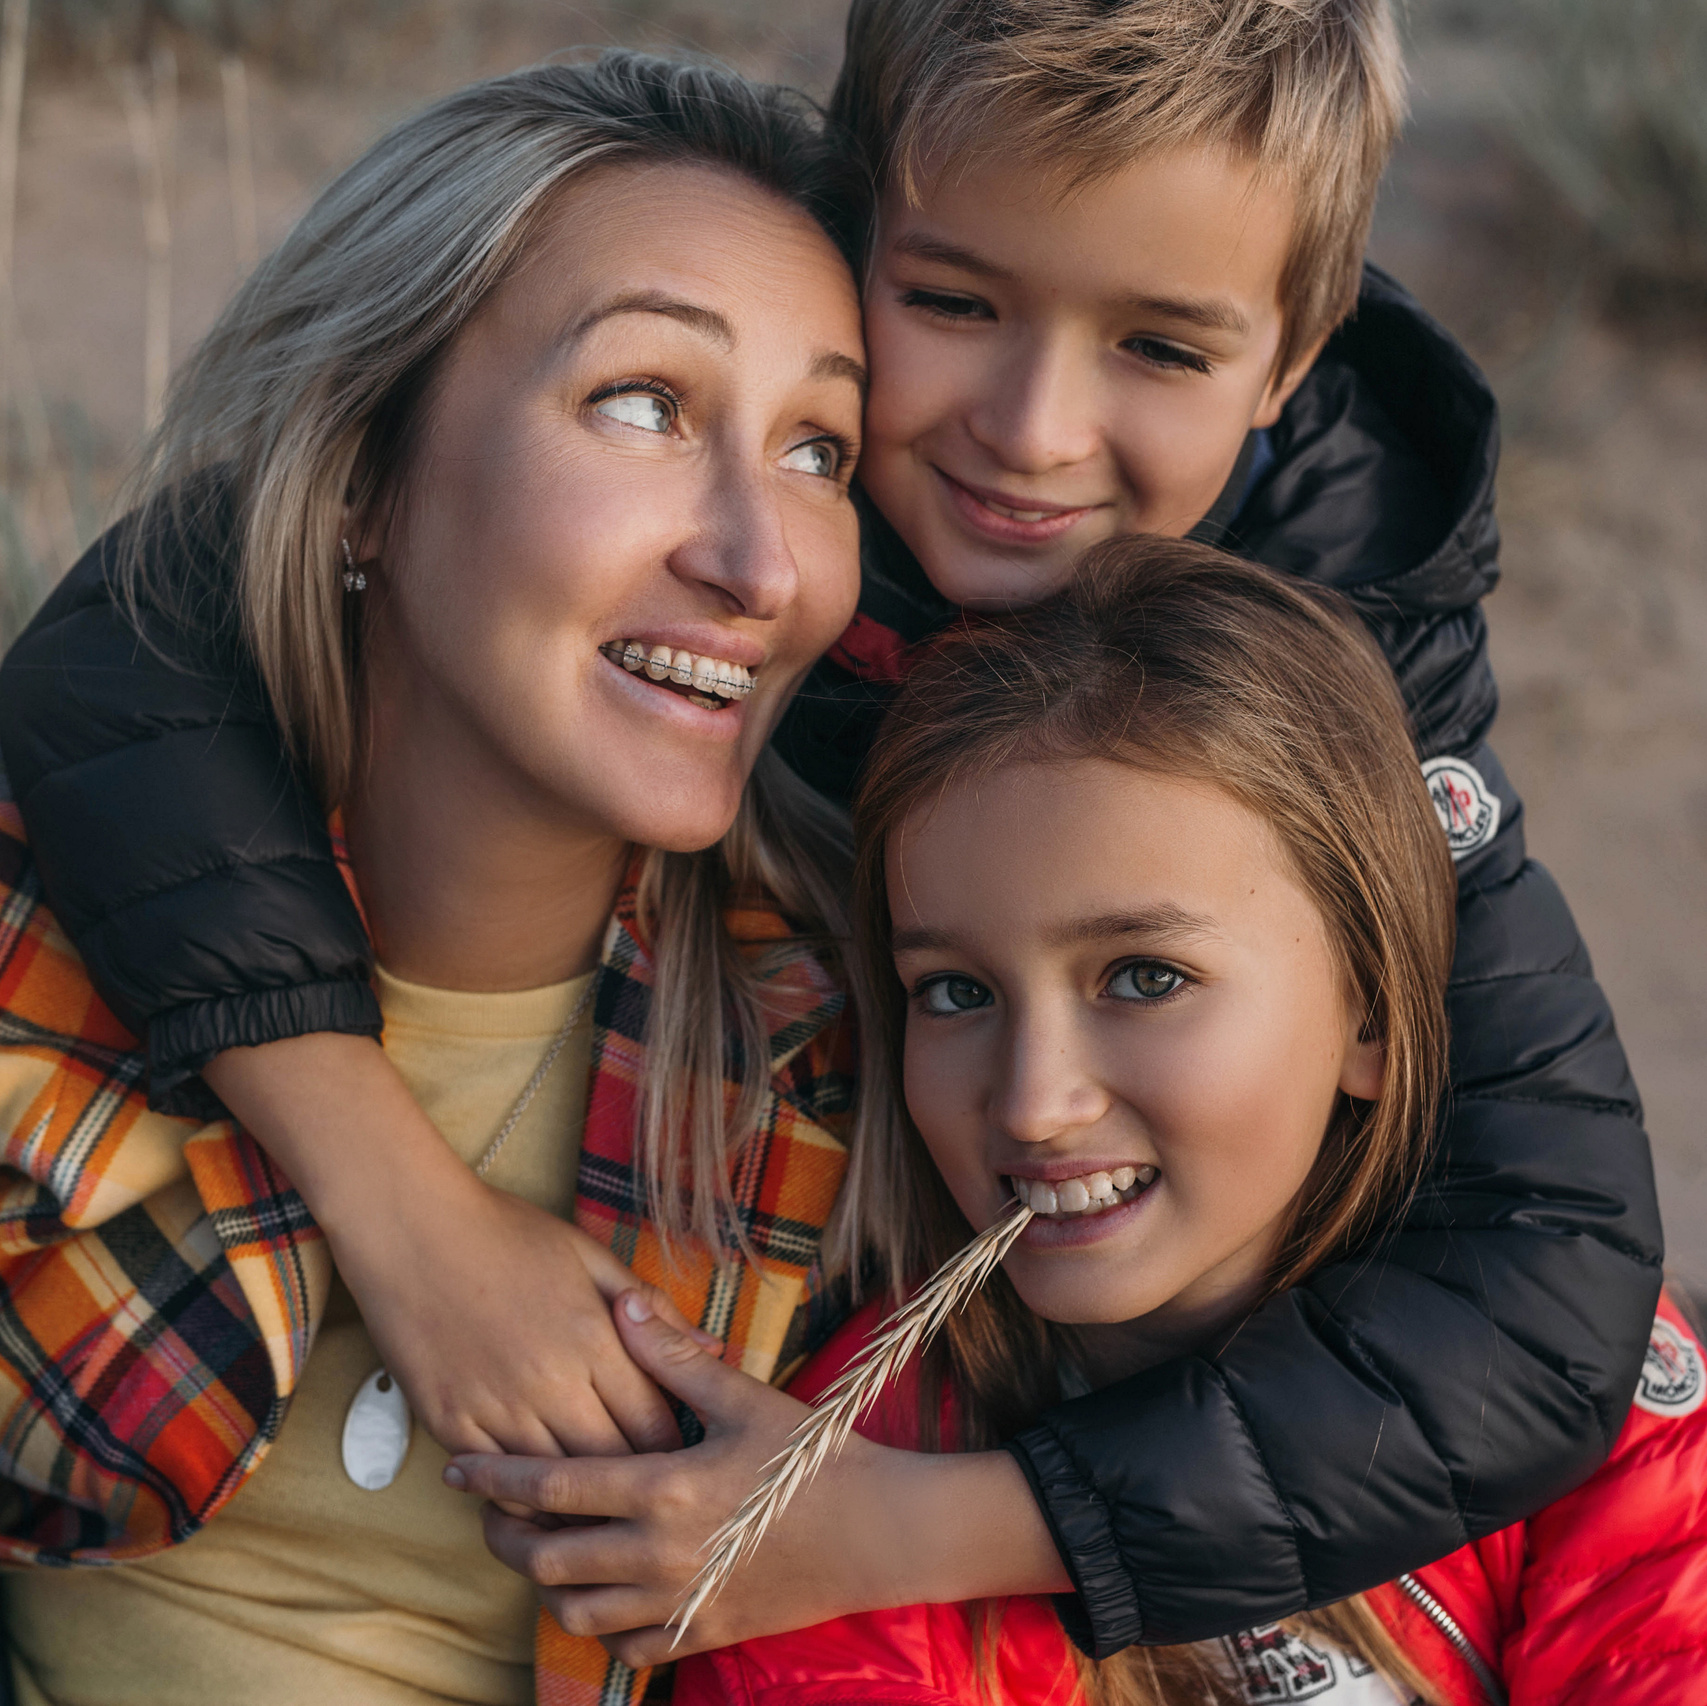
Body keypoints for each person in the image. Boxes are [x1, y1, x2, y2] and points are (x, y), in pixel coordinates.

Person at [0, 0, 1659, 1666]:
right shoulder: (756, 431)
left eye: (1155, 348)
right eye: (947, 304)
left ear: (1286, 368)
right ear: (865, 231)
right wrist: (402, 1203)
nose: (1028, 428)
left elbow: (1557, 1283)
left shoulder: (1347, 665)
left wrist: (902, 1525)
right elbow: (137, 636)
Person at [0, 52, 870, 1706]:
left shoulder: (848, 1063)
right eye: (644, 403)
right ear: (360, 482)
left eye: (820, 451)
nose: (757, 563)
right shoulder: (51, 911)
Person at [586, 541, 1703, 1704]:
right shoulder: (809, 1538)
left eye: (1145, 976)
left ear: (1370, 1010)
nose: (1033, 1102)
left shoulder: (1592, 1386)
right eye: (957, 993)